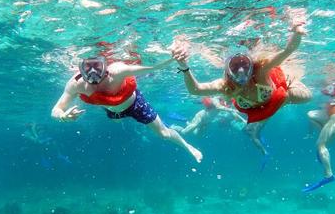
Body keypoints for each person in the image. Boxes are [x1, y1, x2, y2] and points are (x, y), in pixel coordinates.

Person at [171, 14, 312, 158]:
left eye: (244, 64)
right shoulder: (225, 85)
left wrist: (296, 31)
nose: (240, 70)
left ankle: (289, 83)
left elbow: (288, 51)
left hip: (279, 96)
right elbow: (195, 90)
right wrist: (184, 67)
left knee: (307, 97)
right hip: (256, 109)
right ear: (228, 70)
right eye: (235, 66)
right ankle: (258, 127)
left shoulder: (261, 70)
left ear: (251, 65)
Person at [51, 54, 203, 163]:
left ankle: (187, 146)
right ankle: (123, 119)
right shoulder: (75, 84)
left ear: (106, 70)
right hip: (113, 111)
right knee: (116, 120)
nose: (95, 81)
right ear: (81, 74)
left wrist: (174, 57)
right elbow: (55, 110)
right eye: (89, 76)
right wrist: (63, 116)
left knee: (163, 133)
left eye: (99, 74)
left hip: (135, 104)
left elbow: (154, 67)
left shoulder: (118, 71)